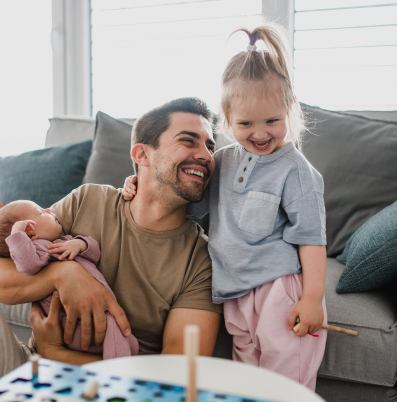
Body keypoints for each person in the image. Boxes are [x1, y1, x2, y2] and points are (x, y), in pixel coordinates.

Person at [0, 97, 221, 402]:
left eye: (210, 145)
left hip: (105, 390)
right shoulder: (90, 200)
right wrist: (64, 273)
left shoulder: (200, 259)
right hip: (28, 372)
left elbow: (177, 380)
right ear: (142, 154)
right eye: (188, 141)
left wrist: (58, 356)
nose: (206, 155)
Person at [123, 25, 327, 390]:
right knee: (243, 381)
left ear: (289, 111)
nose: (260, 133)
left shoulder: (296, 171)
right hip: (233, 293)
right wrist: (137, 182)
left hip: (277, 290)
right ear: (228, 121)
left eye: (272, 121)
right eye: (246, 123)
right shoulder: (223, 161)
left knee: (285, 384)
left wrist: (312, 299)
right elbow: (185, 196)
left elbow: (311, 239)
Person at [0, 199, 139, 358]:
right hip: (75, 322)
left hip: (93, 312)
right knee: (116, 339)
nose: (49, 210)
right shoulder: (38, 250)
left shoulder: (62, 241)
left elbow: (94, 254)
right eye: (40, 212)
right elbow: (27, 264)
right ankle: (119, 372)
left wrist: (80, 244)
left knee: (131, 345)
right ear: (30, 232)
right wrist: (17, 236)